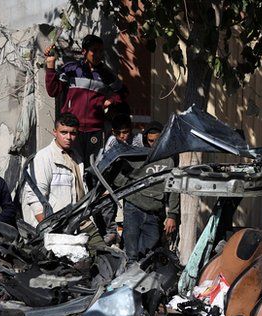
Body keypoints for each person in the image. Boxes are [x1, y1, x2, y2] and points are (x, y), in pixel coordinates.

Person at [44, 34, 125, 167]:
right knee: (71, 166)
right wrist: (50, 65)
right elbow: (53, 91)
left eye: (101, 51)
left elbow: (121, 92)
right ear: (84, 52)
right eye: (94, 50)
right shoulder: (71, 69)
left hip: (95, 130)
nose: (98, 54)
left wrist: (110, 101)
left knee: (92, 168)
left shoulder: (106, 74)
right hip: (72, 130)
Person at [122, 121, 179, 260]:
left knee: (147, 254)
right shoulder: (138, 156)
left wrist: (172, 215)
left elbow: (174, 187)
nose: (154, 144)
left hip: (154, 213)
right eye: (150, 141)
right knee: (131, 254)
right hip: (133, 208)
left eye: (157, 141)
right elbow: (121, 176)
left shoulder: (170, 159)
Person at [20, 112, 84, 227]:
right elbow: (36, 198)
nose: (68, 137)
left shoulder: (77, 159)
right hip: (55, 227)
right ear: (55, 132)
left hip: (78, 223)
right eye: (64, 132)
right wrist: (50, 227)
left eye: (73, 133)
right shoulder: (44, 157)